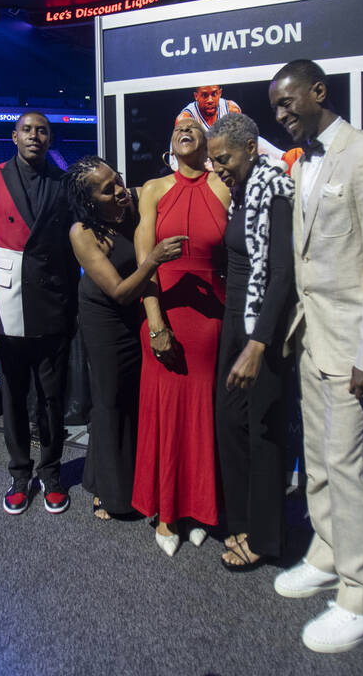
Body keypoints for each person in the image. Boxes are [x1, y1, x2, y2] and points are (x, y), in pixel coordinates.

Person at [268, 59, 363, 653]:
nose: (280, 115)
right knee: (319, 461)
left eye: (287, 102)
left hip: (353, 349)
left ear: (318, 92)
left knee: (350, 470)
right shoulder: (306, 164)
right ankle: (327, 554)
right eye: (274, 107)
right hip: (311, 338)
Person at [0, 111, 79, 515]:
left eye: (42, 130)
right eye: (27, 129)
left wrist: (75, 308)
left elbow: (72, 248)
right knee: (13, 398)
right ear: (13, 136)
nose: (35, 135)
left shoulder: (64, 182)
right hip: (7, 304)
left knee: (51, 399)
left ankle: (51, 474)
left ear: (50, 139)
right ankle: (19, 473)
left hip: (53, 303)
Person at [64, 157, 186, 520]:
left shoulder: (129, 202)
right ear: (89, 201)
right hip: (105, 321)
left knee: (134, 400)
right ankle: (107, 490)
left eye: (117, 181)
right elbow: (118, 291)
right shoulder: (82, 233)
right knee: (109, 402)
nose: (119, 191)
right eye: (108, 189)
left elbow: (165, 185)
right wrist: (155, 260)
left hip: (134, 317)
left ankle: (134, 479)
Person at [133, 116, 231, 555]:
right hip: (164, 313)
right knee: (168, 413)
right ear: (171, 143)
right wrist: (156, 324)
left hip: (212, 320)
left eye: (193, 126)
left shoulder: (225, 187)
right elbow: (143, 265)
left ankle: (199, 508)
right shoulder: (152, 189)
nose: (184, 130)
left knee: (203, 413)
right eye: (177, 128)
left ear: (208, 140)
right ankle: (167, 513)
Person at [205, 113, 296, 572]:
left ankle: (265, 537)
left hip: (264, 332)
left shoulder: (273, 189)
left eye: (222, 158)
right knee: (229, 421)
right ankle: (240, 520)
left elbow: (282, 274)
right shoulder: (242, 193)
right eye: (212, 159)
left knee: (264, 433)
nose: (216, 166)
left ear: (250, 148)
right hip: (235, 324)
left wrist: (258, 343)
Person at [175, 85, 241, 132]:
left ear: (220, 93)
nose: (210, 100)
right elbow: (179, 151)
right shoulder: (185, 120)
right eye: (205, 95)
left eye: (214, 94)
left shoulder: (232, 110)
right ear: (196, 96)